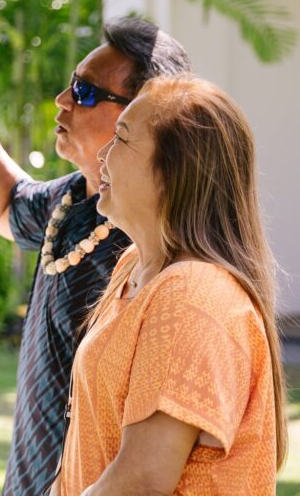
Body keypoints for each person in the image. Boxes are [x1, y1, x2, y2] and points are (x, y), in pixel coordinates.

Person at [0, 17, 191, 496]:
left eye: (86, 91)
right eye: (72, 84)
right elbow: (8, 203)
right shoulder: (71, 200)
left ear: (142, 116)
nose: (63, 99)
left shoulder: (157, 242)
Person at [51, 75, 286, 495]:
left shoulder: (193, 293)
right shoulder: (134, 267)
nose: (103, 153)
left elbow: (141, 480)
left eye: (122, 138)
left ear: (173, 171)